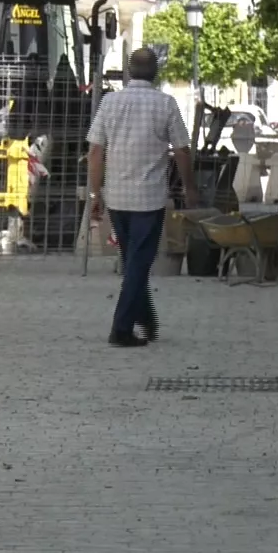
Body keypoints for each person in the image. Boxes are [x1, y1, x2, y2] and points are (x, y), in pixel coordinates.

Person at [86, 46, 198, 347]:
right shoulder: (166, 104)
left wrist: (96, 192)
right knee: (138, 263)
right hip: (149, 198)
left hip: (117, 197)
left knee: (133, 261)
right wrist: (189, 186)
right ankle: (121, 328)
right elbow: (182, 150)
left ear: (129, 71)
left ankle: (147, 318)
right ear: (155, 72)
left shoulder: (110, 103)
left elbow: (95, 151)